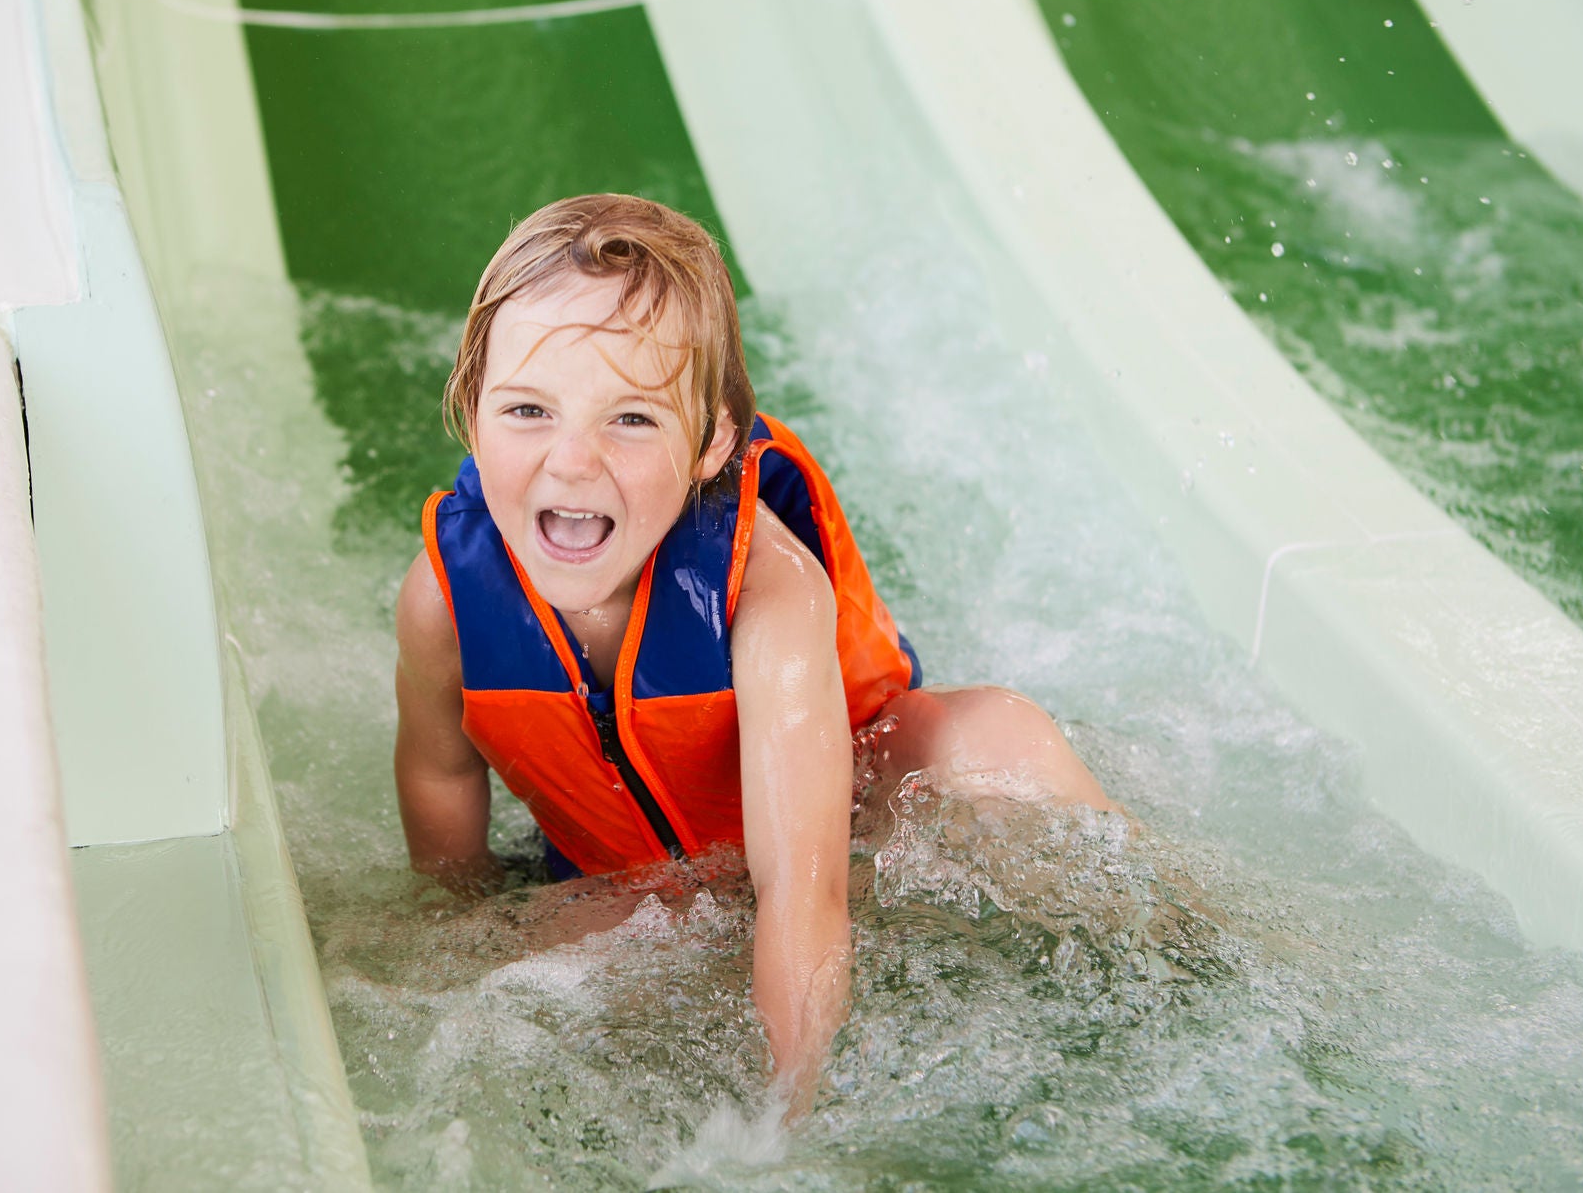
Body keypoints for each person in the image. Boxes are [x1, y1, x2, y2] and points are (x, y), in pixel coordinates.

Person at [393, 193, 1114, 1115]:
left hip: (844, 844)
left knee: (1002, 742)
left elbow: (802, 893)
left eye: (632, 420)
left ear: (713, 440)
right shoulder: (442, 601)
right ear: (470, 411)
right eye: (528, 409)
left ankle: (1192, 932)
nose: (571, 462)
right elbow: (441, 783)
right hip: (644, 891)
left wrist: (784, 1132)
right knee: (495, 974)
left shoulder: (766, 594)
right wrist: (453, 938)